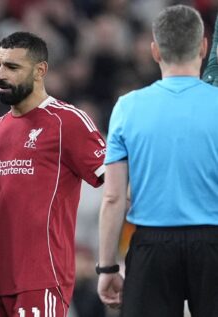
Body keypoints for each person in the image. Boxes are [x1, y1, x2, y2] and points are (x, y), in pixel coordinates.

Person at [0, 32, 106, 317]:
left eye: (12, 67)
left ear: (40, 71)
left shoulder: (68, 122)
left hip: (42, 278)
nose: (0, 74)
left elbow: (112, 178)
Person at [97, 5, 218, 317]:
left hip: (152, 245)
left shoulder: (127, 108)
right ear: (204, 47)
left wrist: (107, 266)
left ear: (155, 51)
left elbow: (112, 197)